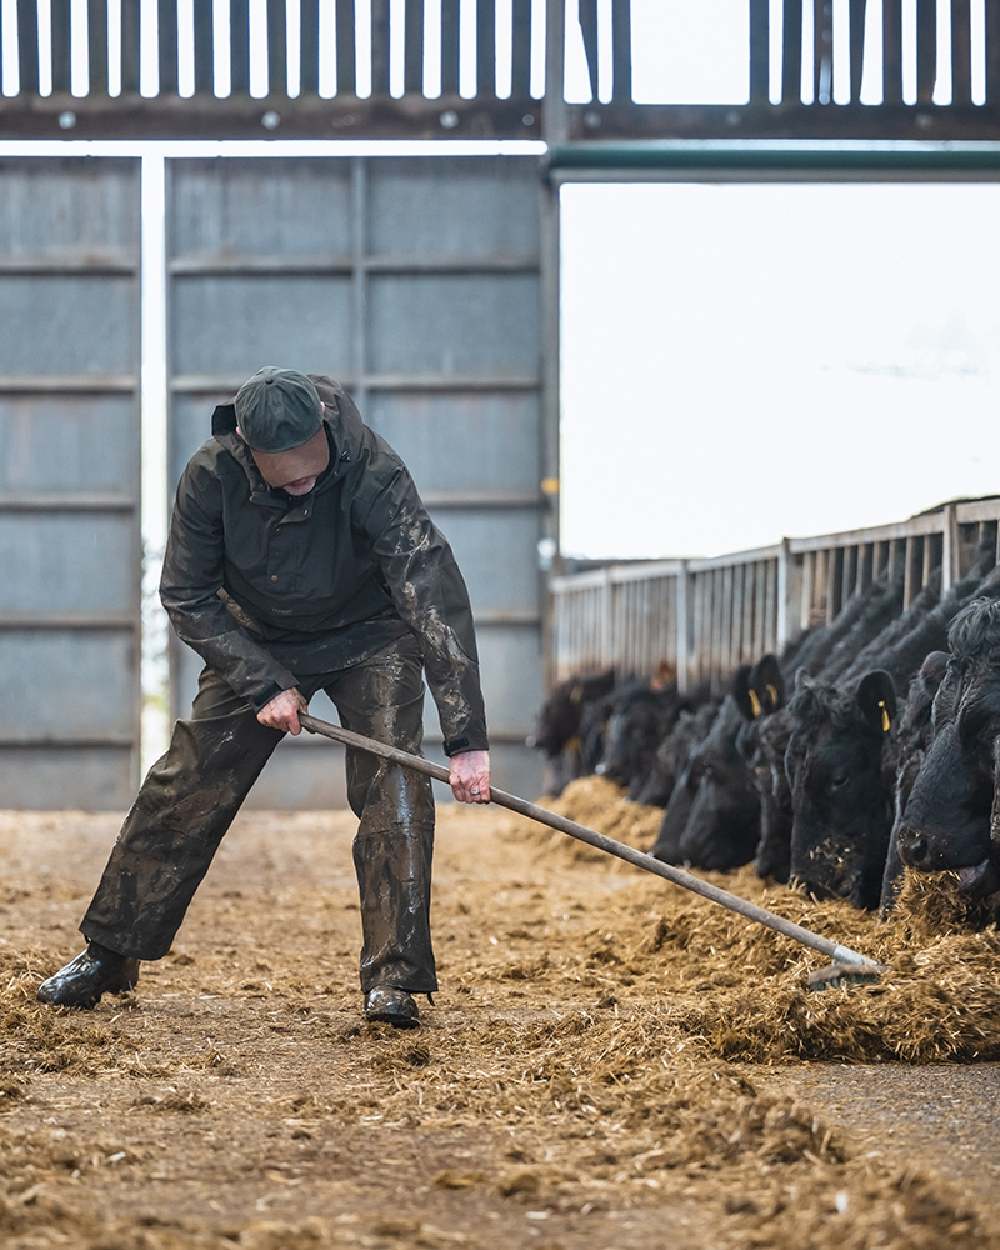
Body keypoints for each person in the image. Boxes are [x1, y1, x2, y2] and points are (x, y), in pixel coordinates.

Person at [37, 367, 491, 1028]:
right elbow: (185, 594)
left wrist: (466, 740)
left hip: (370, 633)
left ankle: (395, 978)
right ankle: (110, 952)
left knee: (395, 784)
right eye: (288, 474)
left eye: (312, 466)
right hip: (255, 639)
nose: (305, 481)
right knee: (184, 781)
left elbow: (431, 592)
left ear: (325, 433)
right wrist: (262, 681)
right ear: (249, 451)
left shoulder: (373, 469)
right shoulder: (209, 477)